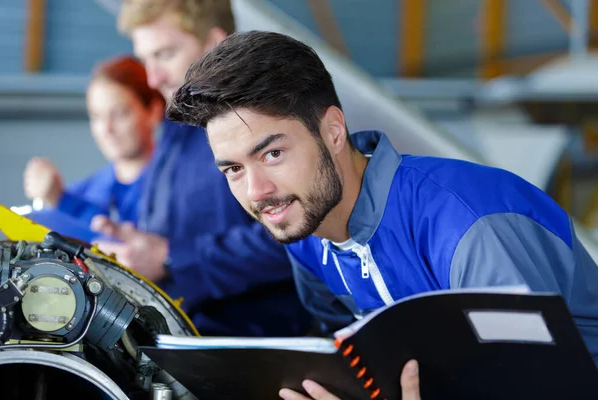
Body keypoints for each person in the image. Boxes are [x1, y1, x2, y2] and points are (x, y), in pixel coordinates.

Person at [166, 30, 598, 399]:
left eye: (273, 153)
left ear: (333, 131)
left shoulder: (470, 230)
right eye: (234, 169)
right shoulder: (308, 234)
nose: (257, 192)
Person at [92, 0, 312, 337]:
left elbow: (297, 239)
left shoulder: (264, 121)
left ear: (214, 44)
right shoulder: (176, 126)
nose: (153, 78)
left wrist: (171, 258)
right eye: (145, 59)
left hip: (254, 353)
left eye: (164, 54)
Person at [24, 55, 163, 226]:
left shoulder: (177, 187)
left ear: (153, 112)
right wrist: (51, 202)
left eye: (119, 114)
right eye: (97, 116)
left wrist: (62, 202)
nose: (106, 129)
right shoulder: (85, 191)